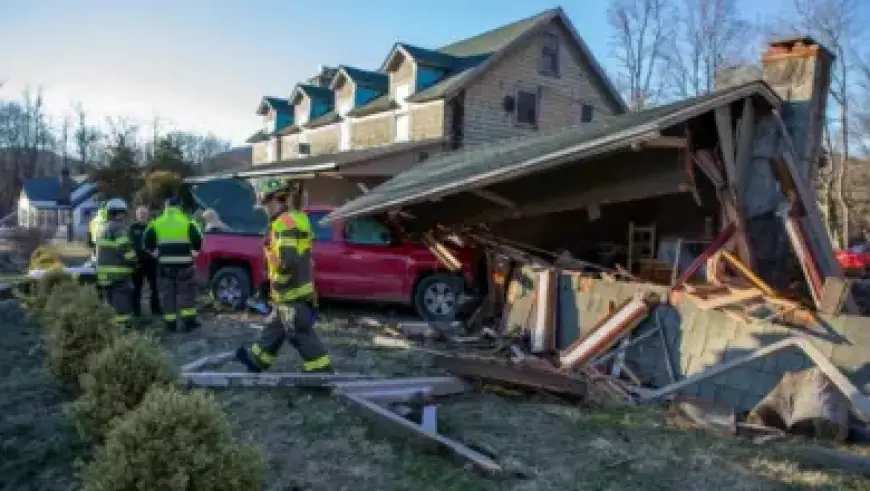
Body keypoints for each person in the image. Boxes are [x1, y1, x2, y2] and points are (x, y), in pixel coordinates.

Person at [236, 179, 332, 374]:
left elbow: (288, 262)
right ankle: (257, 361)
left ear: (275, 201)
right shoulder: (291, 220)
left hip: (292, 293)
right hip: (287, 294)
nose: (265, 211)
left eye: (265, 206)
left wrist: (275, 280)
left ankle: (321, 374)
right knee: (274, 328)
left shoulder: (284, 224)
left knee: (299, 333)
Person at [143, 196, 203, 332]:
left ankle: (170, 324)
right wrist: (194, 253)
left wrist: (155, 253)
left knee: (167, 295)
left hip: (165, 266)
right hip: (185, 265)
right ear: (180, 207)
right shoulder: (188, 222)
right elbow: (198, 241)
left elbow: (146, 241)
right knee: (186, 293)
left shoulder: (157, 222)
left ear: (166, 207)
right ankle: (188, 323)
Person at [95, 198, 137, 328]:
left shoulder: (103, 228)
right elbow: (125, 249)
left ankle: (109, 327)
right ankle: (121, 329)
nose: (124, 216)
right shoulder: (118, 228)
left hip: (103, 274)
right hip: (118, 274)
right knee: (121, 304)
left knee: (109, 303)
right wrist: (134, 261)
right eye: (123, 213)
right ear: (118, 213)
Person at [129, 205, 161, 317]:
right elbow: (128, 244)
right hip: (137, 262)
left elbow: (159, 241)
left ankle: (156, 310)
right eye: (140, 213)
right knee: (136, 288)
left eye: (144, 213)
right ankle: (136, 311)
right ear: (136, 215)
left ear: (147, 215)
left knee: (155, 287)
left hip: (151, 261)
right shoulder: (132, 228)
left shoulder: (153, 227)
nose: (142, 215)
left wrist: (157, 252)